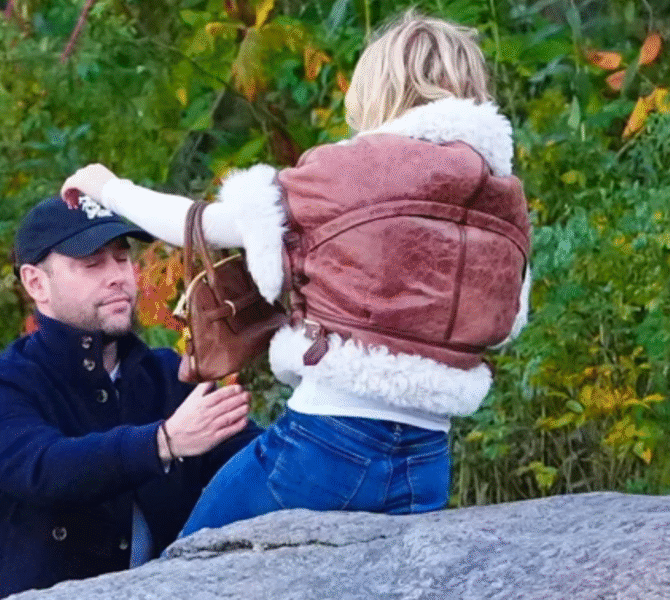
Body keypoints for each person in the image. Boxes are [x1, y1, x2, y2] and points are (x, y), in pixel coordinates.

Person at [61, 10, 531, 536]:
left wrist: (108, 188)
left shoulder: (350, 172)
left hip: (326, 447)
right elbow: (505, 324)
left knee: (189, 563)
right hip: (427, 460)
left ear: (379, 88)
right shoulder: (503, 198)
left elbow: (202, 225)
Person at [0, 196, 261, 600]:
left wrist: (295, 359)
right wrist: (163, 442)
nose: (118, 277)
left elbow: (262, 463)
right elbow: (45, 469)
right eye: (92, 263)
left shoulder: (170, 378)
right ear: (36, 283)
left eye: (122, 259)